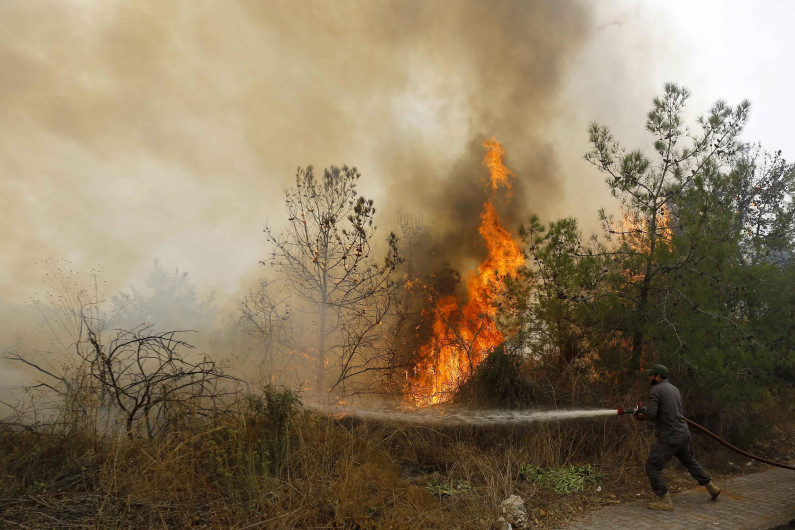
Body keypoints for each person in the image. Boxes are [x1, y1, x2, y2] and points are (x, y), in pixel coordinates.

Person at [634, 364, 721, 511]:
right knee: (689, 461)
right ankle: (711, 487)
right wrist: (646, 411)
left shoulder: (656, 390)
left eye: (651, 375)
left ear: (658, 377)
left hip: (670, 436)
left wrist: (641, 416)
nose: (649, 377)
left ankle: (665, 500)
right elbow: (666, 410)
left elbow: (651, 414)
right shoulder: (674, 389)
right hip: (683, 433)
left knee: (652, 466)